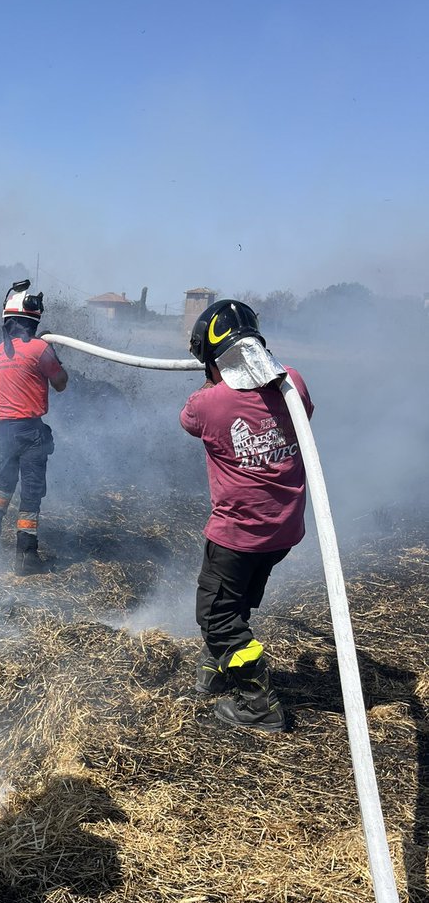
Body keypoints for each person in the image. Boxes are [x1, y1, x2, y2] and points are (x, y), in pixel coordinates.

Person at [180, 299, 314, 732]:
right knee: (235, 602)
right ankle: (220, 667)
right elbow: (299, 410)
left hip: (237, 533)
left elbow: (189, 419)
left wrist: (210, 381)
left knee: (216, 616)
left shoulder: (208, 403)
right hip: (283, 529)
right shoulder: (292, 383)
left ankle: (258, 703)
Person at [0, 279, 68, 574]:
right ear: (32, 320)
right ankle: (26, 558)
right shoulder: (40, 349)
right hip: (31, 430)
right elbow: (60, 384)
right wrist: (54, 357)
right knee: (31, 493)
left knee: (5, 482)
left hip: (3, 428)